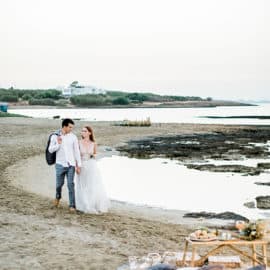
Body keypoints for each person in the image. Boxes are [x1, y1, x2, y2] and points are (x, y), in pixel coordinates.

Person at [48, 118, 81, 212]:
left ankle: (72, 205)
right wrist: (58, 144)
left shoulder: (73, 137)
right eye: (70, 127)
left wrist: (79, 165)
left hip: (71, 165)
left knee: (71, 184)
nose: (71, 129)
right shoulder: (55, 136)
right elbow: (50, 150)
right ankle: (57, 197)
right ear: (64, 126)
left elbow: (76, 151)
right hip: (59, 165)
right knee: (59, 185)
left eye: (72, 127)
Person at [75, 126, 110, 214]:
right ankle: (83, 204)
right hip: (82, 165)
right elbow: (77, 156)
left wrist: (93, 155)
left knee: (91, 185)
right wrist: (77, 166)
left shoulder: (93, 143)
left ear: (89, 133)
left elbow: (95, 154)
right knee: (82, 184)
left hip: (91, 165)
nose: (83, 132)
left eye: (85, 131)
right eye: (82, 131)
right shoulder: (78, 142)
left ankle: (91, 204)